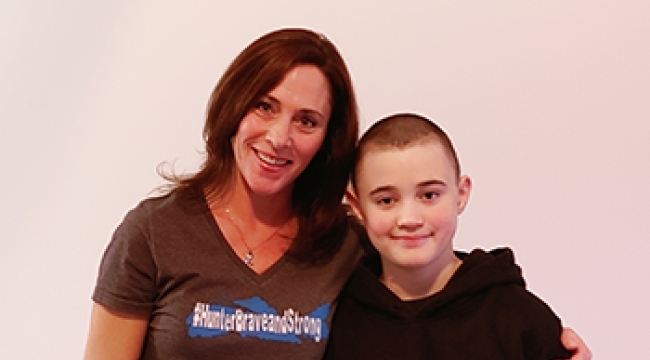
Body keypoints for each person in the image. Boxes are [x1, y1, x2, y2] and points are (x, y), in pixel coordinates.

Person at [83, 28, 591, 360]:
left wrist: (544, 339)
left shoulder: (345, 243)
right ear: (233, 106)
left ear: (328, 138)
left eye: (307, 120)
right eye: (265, 106)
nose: (280, 137)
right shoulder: (154, 232)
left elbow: (434, 283)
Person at [325, 112, 580, 359]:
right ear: (356, 207)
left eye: (429, 195)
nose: (409, 220)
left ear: (461, 194)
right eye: (386, 200)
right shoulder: (336, 320)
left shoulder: (520, 318)